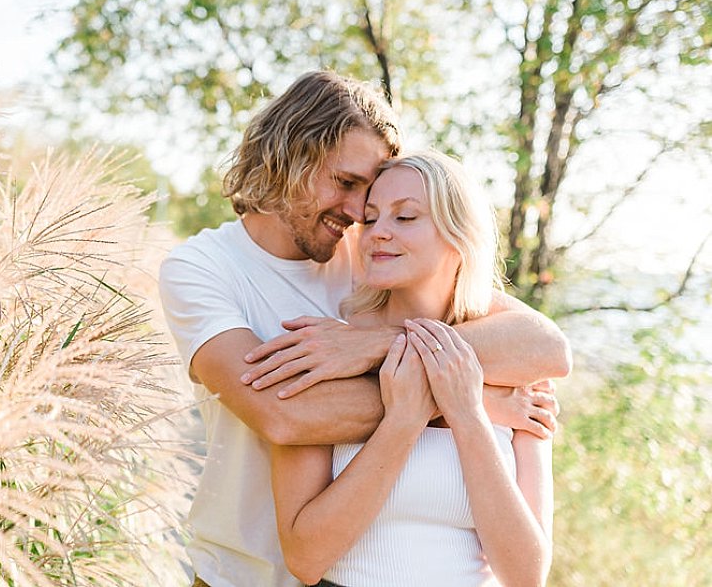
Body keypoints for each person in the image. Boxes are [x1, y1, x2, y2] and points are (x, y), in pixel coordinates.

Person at [158, 71, 570, 587]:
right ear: (289, 158)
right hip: (244, 572)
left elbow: (545, 345)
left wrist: (375, 346)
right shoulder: (201, 269)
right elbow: (288, 417)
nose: (359, 215)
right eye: (347, 184)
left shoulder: (369, 250)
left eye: (371, 197)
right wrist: (471, 401)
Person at [271, 151, 552, 587]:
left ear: (458, 237)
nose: (377, 233)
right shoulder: (327, 350)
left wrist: (468, 412)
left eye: (405, 218)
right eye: (370, 218)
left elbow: (526, 575)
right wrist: (404, 420)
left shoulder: (514, 366)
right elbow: (304, 558)